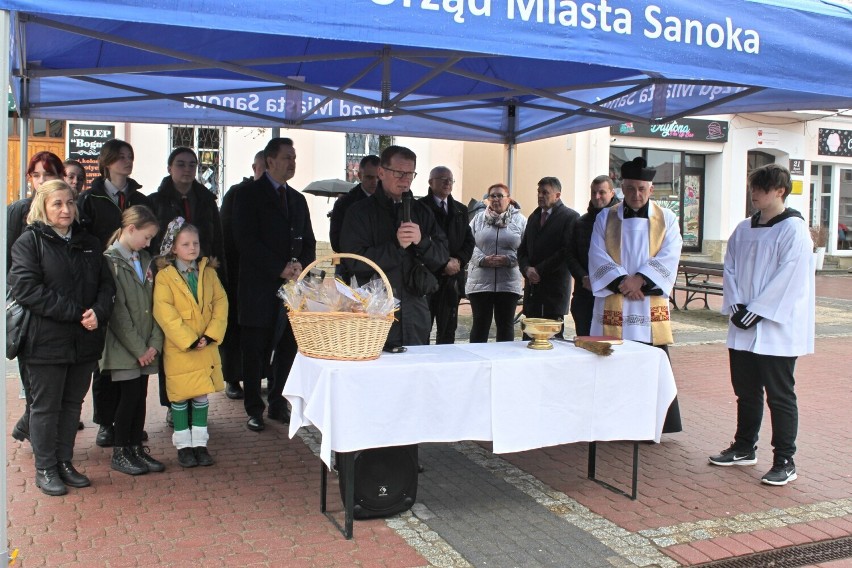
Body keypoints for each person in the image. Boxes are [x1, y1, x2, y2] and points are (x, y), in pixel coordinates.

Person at [709, 164, 815, 486]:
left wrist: (755, 312)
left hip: (776, 330)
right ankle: (744, 447)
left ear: (780, 191)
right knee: (746, 391)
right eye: (753, 188)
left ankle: (785, 459)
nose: (754, 194)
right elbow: (731, 268)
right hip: (743, 327)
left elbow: (790, 277)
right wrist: (738, 305)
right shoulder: (743, 228)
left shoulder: (794, 229)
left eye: (761, 188)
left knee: (780, 395)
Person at [8, 179, 115, 496]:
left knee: (71, 406)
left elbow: (107, 285)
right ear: (43, 206)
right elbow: (27, 289)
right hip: (45, 342)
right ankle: (45, 468)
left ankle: (64, 462)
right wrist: (76, 312)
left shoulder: (90, 242)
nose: (66, 209)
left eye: (70, 202)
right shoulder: (29, 243)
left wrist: (98, 310)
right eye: (57, 203)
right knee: (45, 408)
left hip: (84, 341)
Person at [588, 157, 683, 433]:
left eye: (642, 189)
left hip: (647, 303)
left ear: (651, 189)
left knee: (650, 362)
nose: (636, 195)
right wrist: (621, 281)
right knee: (612, 362)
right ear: (621, 187)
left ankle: (652, 422)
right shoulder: (605, 217)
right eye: (630, 188)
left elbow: (670, 254)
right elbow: (596, 253)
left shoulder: (668, 218)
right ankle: (612, 422)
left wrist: (640, 280)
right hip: (616, 299)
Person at [232, 138, 316, 431]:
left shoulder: (297, 199)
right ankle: (254, 407)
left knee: (286, 348)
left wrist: (300, 266)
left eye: (294, 158)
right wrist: (277, 267)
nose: (292, 163)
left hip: (291, 289)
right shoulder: (248, 194)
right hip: (257, 287)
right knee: (255, 350)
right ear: (269, 161)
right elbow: (245, 241)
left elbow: (308, 240)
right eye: (286, 158)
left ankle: (278, 402)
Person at [78, 139, 152, 447]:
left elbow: (149, 239)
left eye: (130, 156)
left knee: (132, 357)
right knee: (106, 361)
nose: (127, 161)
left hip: (133, 278)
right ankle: (106, 422)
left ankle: (130, 424)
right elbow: (83, 238)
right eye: (120, 157)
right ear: (107, 161)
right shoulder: (90, 198)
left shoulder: (138, 197)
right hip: (101, 279)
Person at [340, 145, 449, 349]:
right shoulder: (359, 212)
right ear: (381, 172)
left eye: (410, 174)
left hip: (416, 311)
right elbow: (354, 261)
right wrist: (397, 247)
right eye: (399, 173)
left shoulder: (422, 212)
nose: (405, 179)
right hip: (375, 312)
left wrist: (422, 242)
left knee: (415, 374)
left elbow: (442, 257)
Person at [149, 147, 227, 420]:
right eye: (181, 164)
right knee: (176, 345)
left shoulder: (206, 200)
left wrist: (218, 271)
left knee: (202, 343)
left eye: (192, 165)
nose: (187, 169)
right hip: (171, 275)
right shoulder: (156, 201)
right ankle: (174, 405)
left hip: (202, 274)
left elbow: (217, 239)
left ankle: (200, 406)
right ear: (170, 167)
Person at [153, 219, 228, 468]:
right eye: (185, 244)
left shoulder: (208, 272)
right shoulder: (165, 277)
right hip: (181, 349)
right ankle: (184, 446)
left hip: (205, 345)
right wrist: (189, 339)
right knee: (180, 397)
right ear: (174, 248)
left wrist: (211, 334)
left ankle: (200, 444)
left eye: (195, 243)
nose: (192, 248)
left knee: (200, 396)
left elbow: (221, 303)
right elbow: (165, 312)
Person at [100, 205, 166, 476]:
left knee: (139, 398)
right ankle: (121, 450)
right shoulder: (110, 261)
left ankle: (136, 446)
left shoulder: (145, 260)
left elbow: (155, 305)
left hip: (146, 346)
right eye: (146, 237)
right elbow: (118, 313)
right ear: (130, 229)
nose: (149, 243)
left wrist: (154, 344)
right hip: (124, 347)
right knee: (126, 400)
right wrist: (140, 349)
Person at [8, 152, 67, 444]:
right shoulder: (18, 211)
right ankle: (36, 433)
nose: (42, 180)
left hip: (57, 309)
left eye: (49, 174)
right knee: (34, 385)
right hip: (27, 311)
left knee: (47, 389)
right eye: (36, 175)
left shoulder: (68, 210)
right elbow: (10, 262)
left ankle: (31, 428)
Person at [219, 150, 266, 400]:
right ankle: (232, 378)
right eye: (262, 167)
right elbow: (228, 233)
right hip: (237, 273)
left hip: (266, 277)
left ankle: (260, 376)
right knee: (235, 330)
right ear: (254, 167)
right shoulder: (237, 193)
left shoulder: (277, 196)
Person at [518, 177, 579, 339]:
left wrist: (539, 270)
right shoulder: (534, 217)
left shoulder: (569, 217)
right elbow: (522, 250)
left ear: (557, 195)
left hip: (553, 292)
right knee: (529, 341)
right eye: (538, 192)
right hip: (533, 292)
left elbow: (565, 252)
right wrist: (527, 269)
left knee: (552, 342)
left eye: (545, 192)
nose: (540, 196)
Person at [419, 166, 474, 344]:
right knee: (423, 328)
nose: (447, 183)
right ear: (430, 182)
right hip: (427, 278)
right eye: (442, 179)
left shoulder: (460, 209)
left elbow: (468, 241)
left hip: (452, 280)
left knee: (448, 329)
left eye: (450, 180)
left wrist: (458, 261)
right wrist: (443, 264)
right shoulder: (419, 208)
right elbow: (418, 244)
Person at [466, 183, 526, 343]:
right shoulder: (478, 219)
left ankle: (505, 362)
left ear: (509, 199)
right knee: (480, 325)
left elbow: (526, 249)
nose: (496, 199)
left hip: (508, 283)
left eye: (500, 196)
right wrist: (482, 259)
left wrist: (509, 260)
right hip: (480, 282)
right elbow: (467, 244)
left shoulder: (521, 221)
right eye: (492, 196)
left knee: (505, 326)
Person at [567, 175, 620, 337]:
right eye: (593, 193)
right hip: (585, 293)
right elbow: (570, 254)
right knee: (585, 341)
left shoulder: (622, 221)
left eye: (602, 192)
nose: (597, 197)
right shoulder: (581, 223)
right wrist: (583, 277)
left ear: (612, 193)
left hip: (613, 294)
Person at [329, 155, 380, 254]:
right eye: (369, 177)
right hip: (352, 264)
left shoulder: (391, 200)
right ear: (360, 176)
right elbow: (336, 242)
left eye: (378, 177)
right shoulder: (344, 203)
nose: (375, 182)